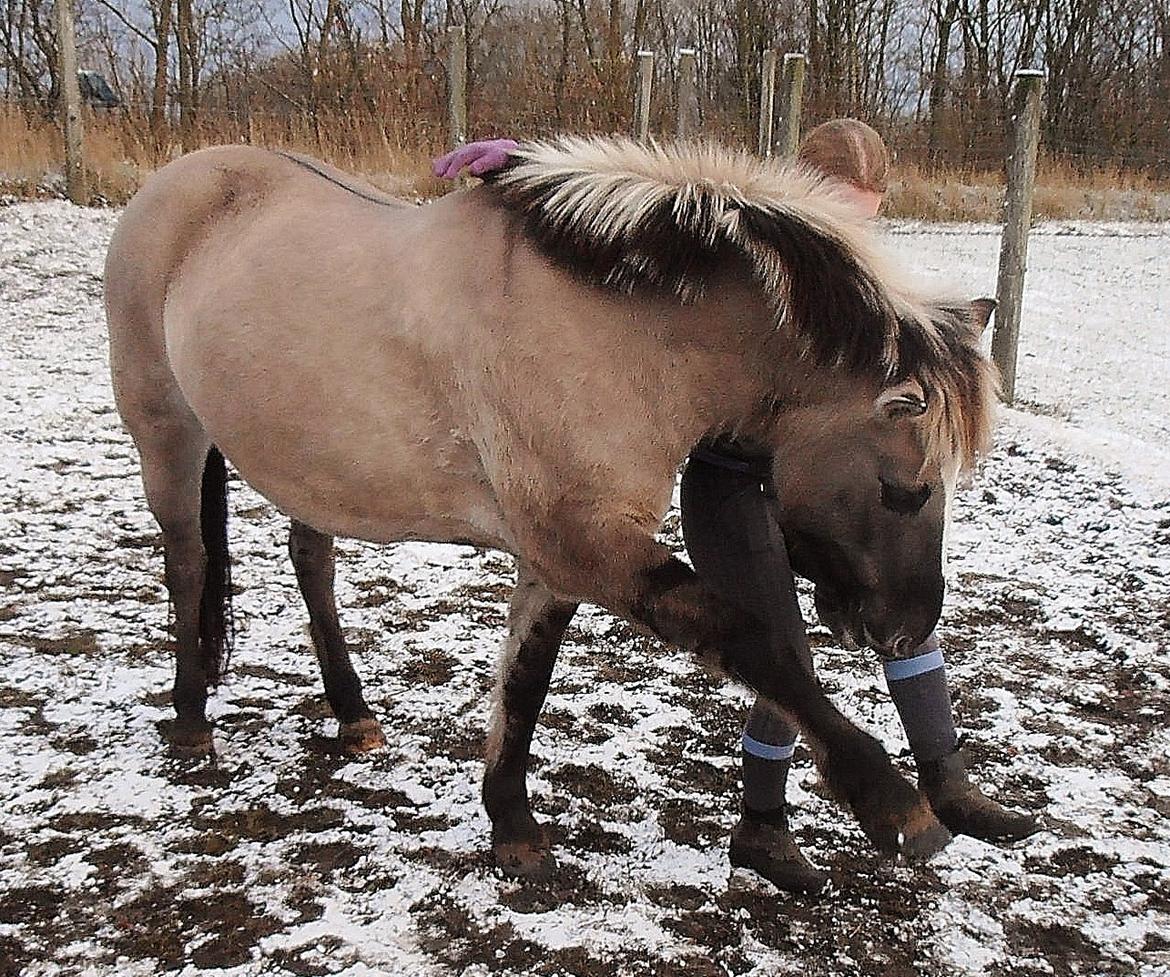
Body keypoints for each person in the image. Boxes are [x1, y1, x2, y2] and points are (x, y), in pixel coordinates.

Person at [432, 121, 1040, 894]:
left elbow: (926, 341)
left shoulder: (862, 299)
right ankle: (762, 825)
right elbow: (655, 210)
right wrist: (536, 167)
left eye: (863, 219)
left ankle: (946, 777)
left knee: (896, 592)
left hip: (813, 487)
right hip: (732, 485)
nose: (849, 235)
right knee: (781, 651)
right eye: (834, 213)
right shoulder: (748, 258)